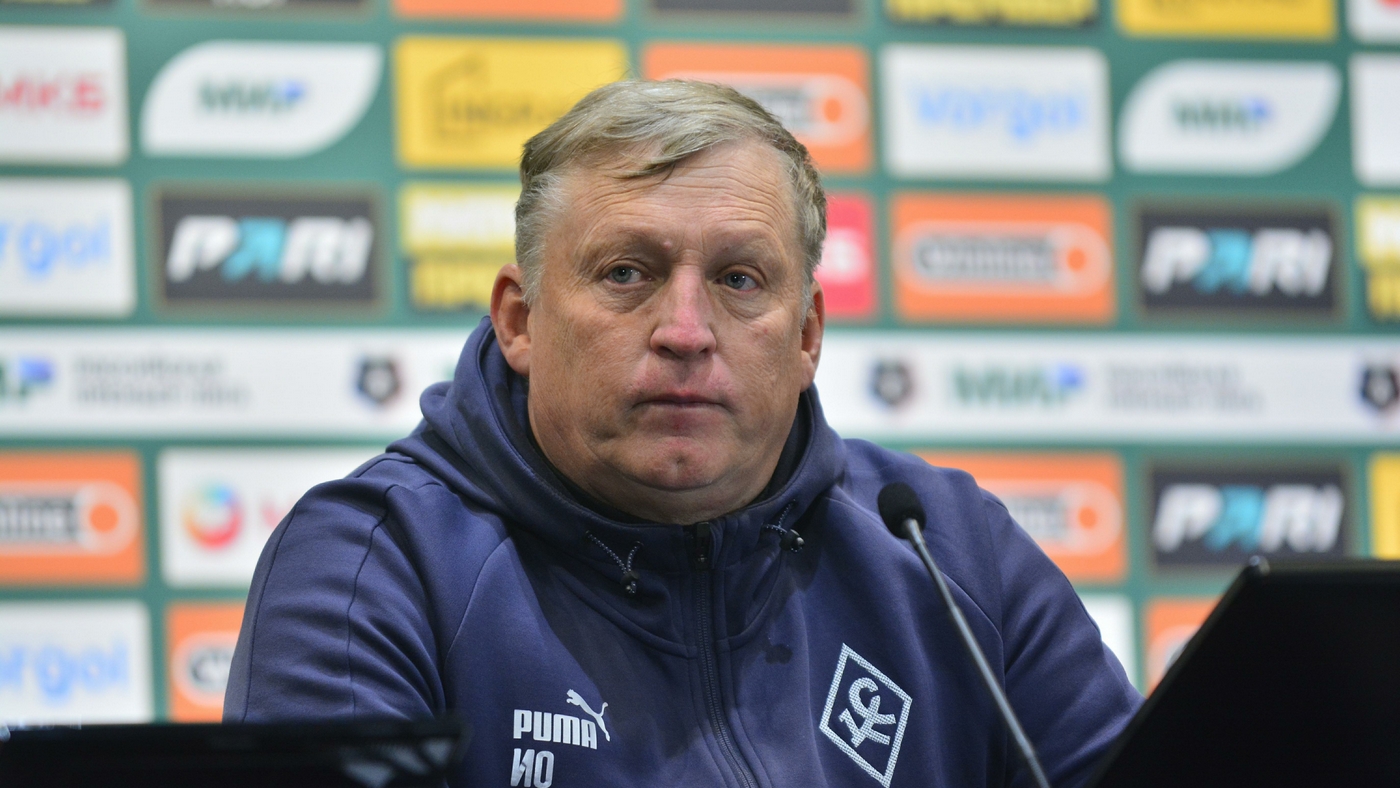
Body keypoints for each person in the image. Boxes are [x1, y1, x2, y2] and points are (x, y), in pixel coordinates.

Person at [224, 79, 1141, 788]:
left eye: (740, 280)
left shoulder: (949, 549)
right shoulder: (377, 563)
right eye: (628, 272)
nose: (687, 331)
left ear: (808, 335)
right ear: (520, 321)